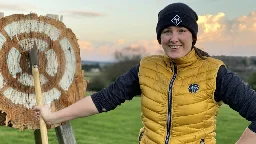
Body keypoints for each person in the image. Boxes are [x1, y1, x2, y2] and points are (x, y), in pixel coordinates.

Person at [33, 2, 256, 144]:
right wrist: (53, 116)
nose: (174, 38)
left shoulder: (214, 71)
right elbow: (105, 99)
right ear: (159, 37)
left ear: (193, 36)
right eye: (167, 31)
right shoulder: (146, 67)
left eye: (182, 30)